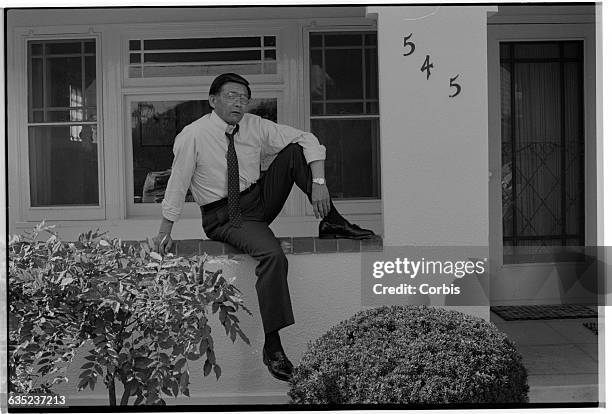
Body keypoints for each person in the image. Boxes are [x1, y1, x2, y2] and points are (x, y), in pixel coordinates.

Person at [154, 73, 374, 382]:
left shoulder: (255, 125)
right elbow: (177, 184)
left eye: (243, 97)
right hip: (225, 216)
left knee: (295, 151)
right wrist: (166, 229)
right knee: (273, 256)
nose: (239, 102)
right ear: (213, 100)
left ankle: (332, 221)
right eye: (231, 96)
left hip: (257, 201)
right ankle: (273, 346)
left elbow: (308, 139)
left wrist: (320, 184)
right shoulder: (193, 135)